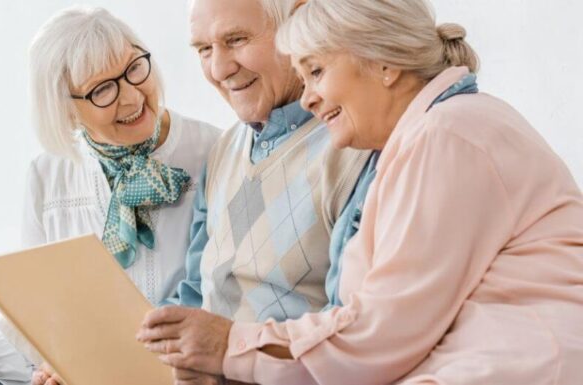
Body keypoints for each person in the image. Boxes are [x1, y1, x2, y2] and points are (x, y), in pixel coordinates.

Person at [138, 0, 583, 384]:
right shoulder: (417, 140)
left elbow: (381, 334)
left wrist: (231, 346)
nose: (309, 98)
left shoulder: (447, 134)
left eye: (316, 71)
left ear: (385, 64)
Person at [0, 6, 219, 385]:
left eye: (135, 68)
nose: (132, 97)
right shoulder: (48, 175)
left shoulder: (213, 153)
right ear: (66, 110)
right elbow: (38, 316)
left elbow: (215, 302)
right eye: (103, 89)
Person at [152, 0, 369, 383]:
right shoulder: (224, 151)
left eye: (236, 40)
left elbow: (352, 341)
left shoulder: (352, 147)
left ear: (296, 24)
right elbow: (194, 299)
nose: (219, 69)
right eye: (204, 49)